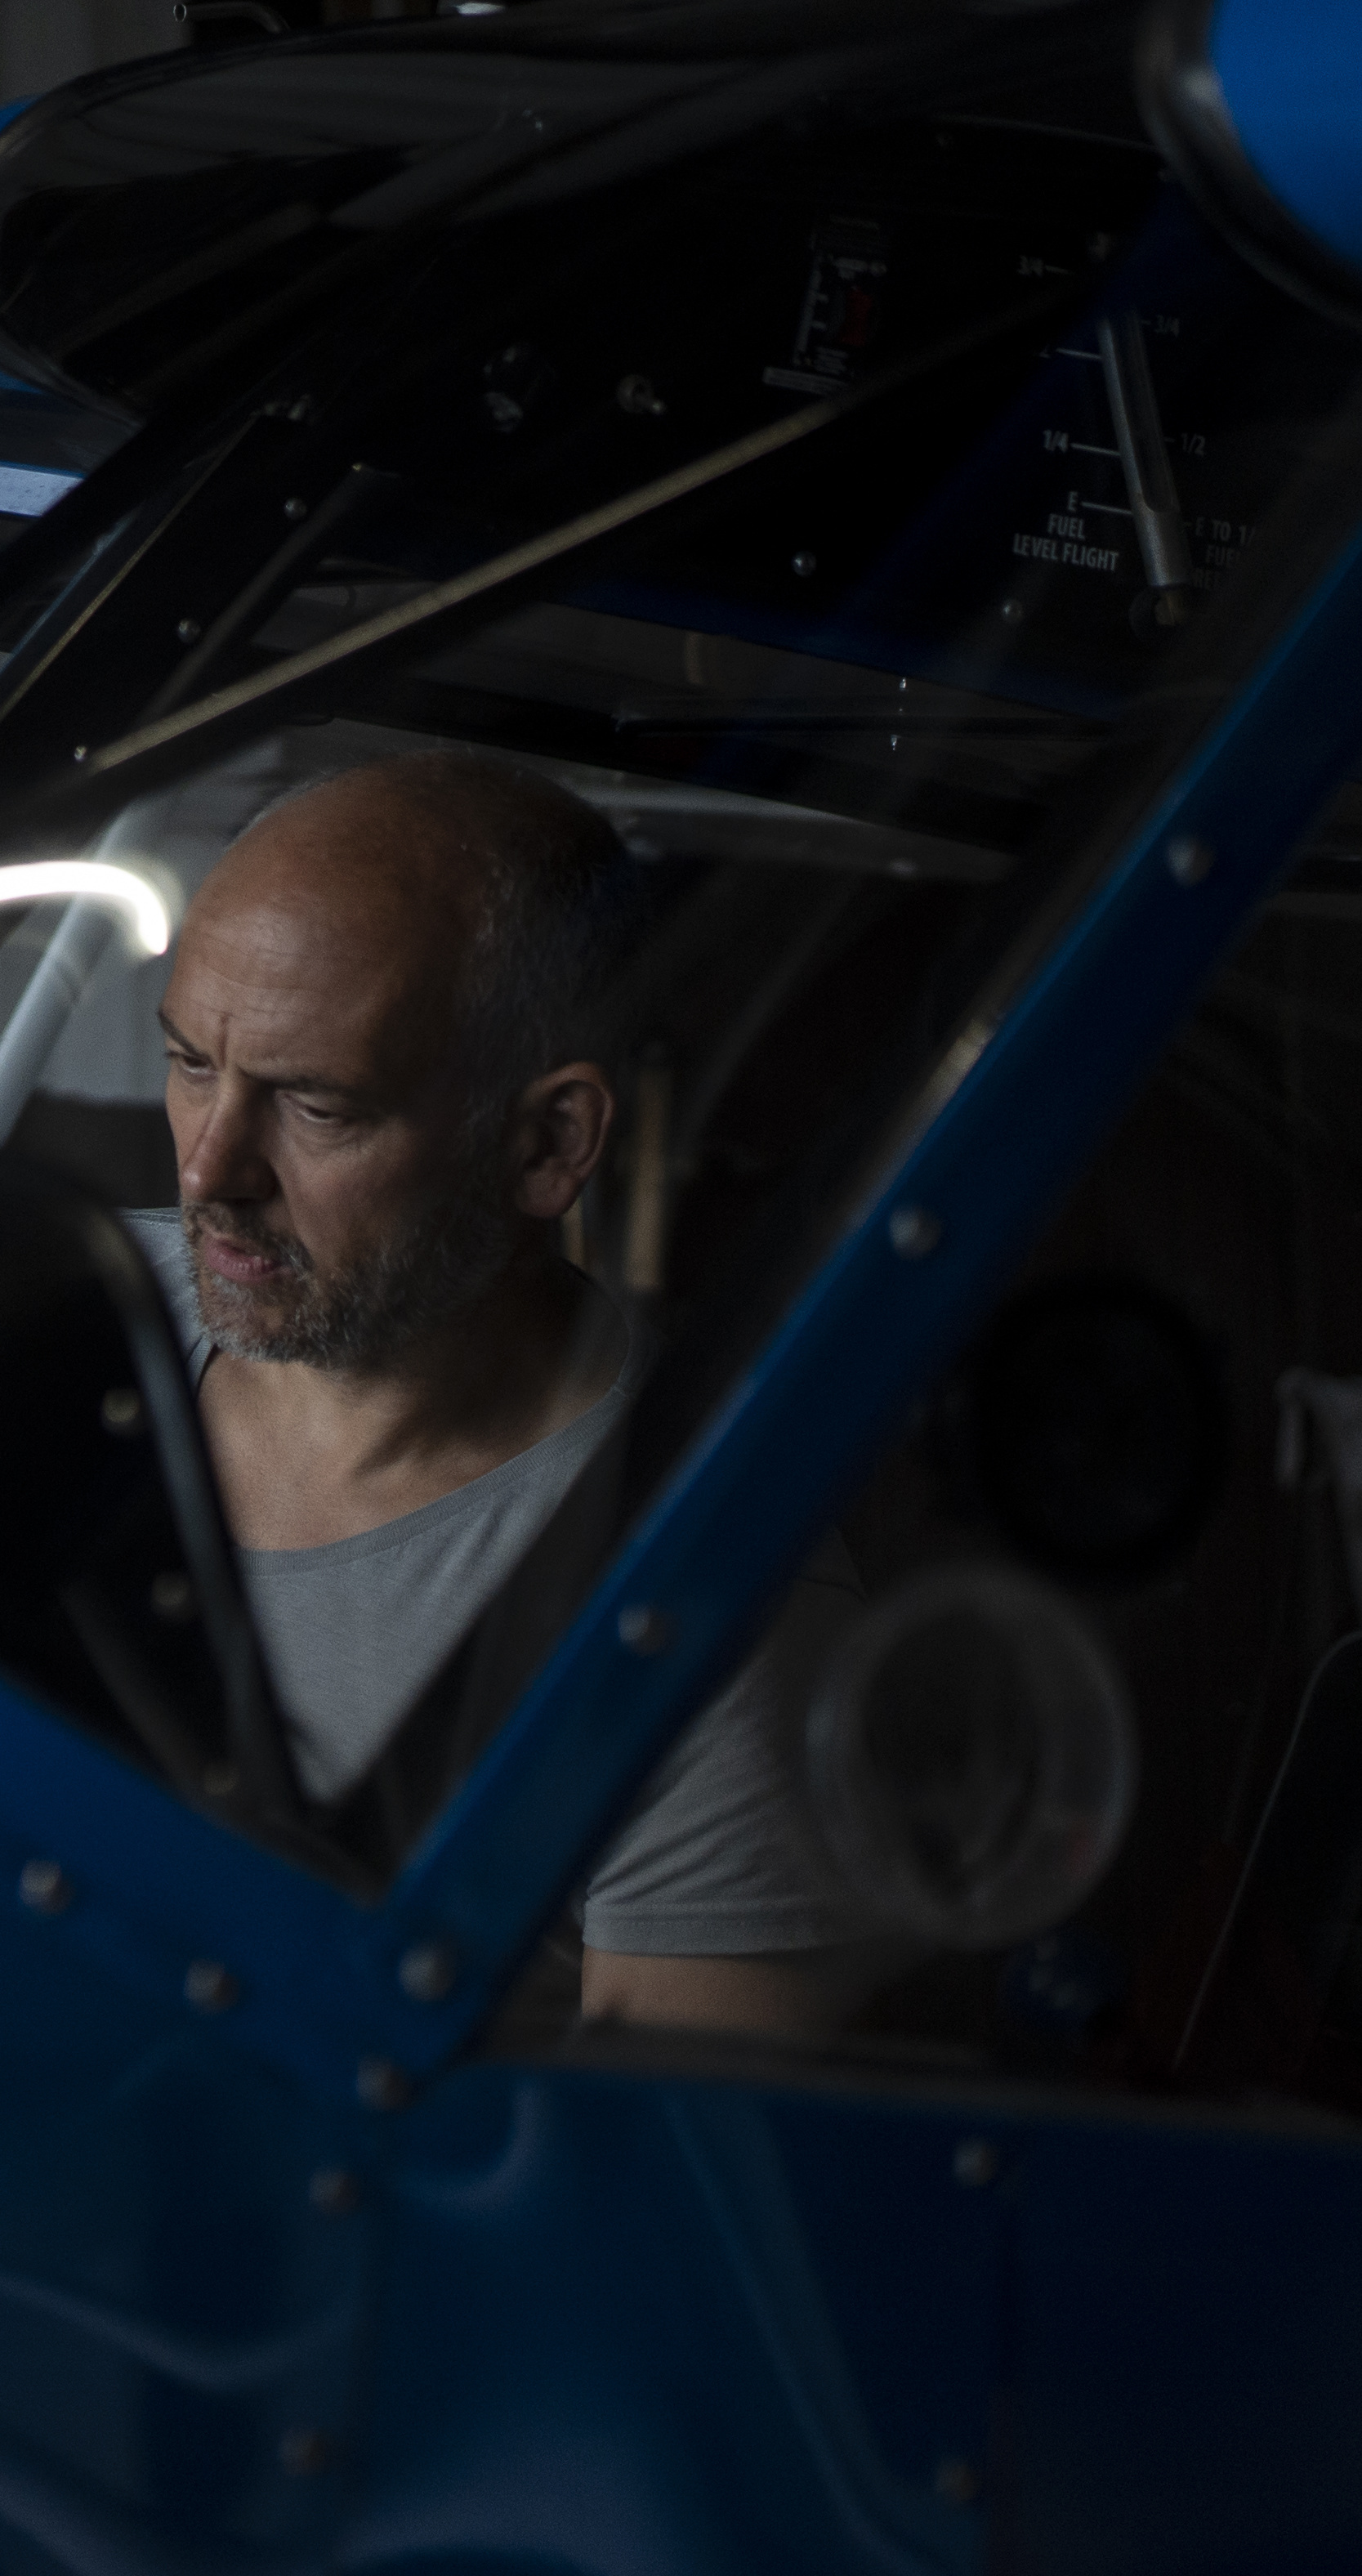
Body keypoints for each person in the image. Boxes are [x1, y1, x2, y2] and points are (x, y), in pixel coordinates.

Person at [151, 750, 881, 2037]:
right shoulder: (66, 1318)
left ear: (545, 1145)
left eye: (315, 1107)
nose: (210, 1172)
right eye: (189, 1065)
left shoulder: (707, 1617)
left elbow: (655, 2210)